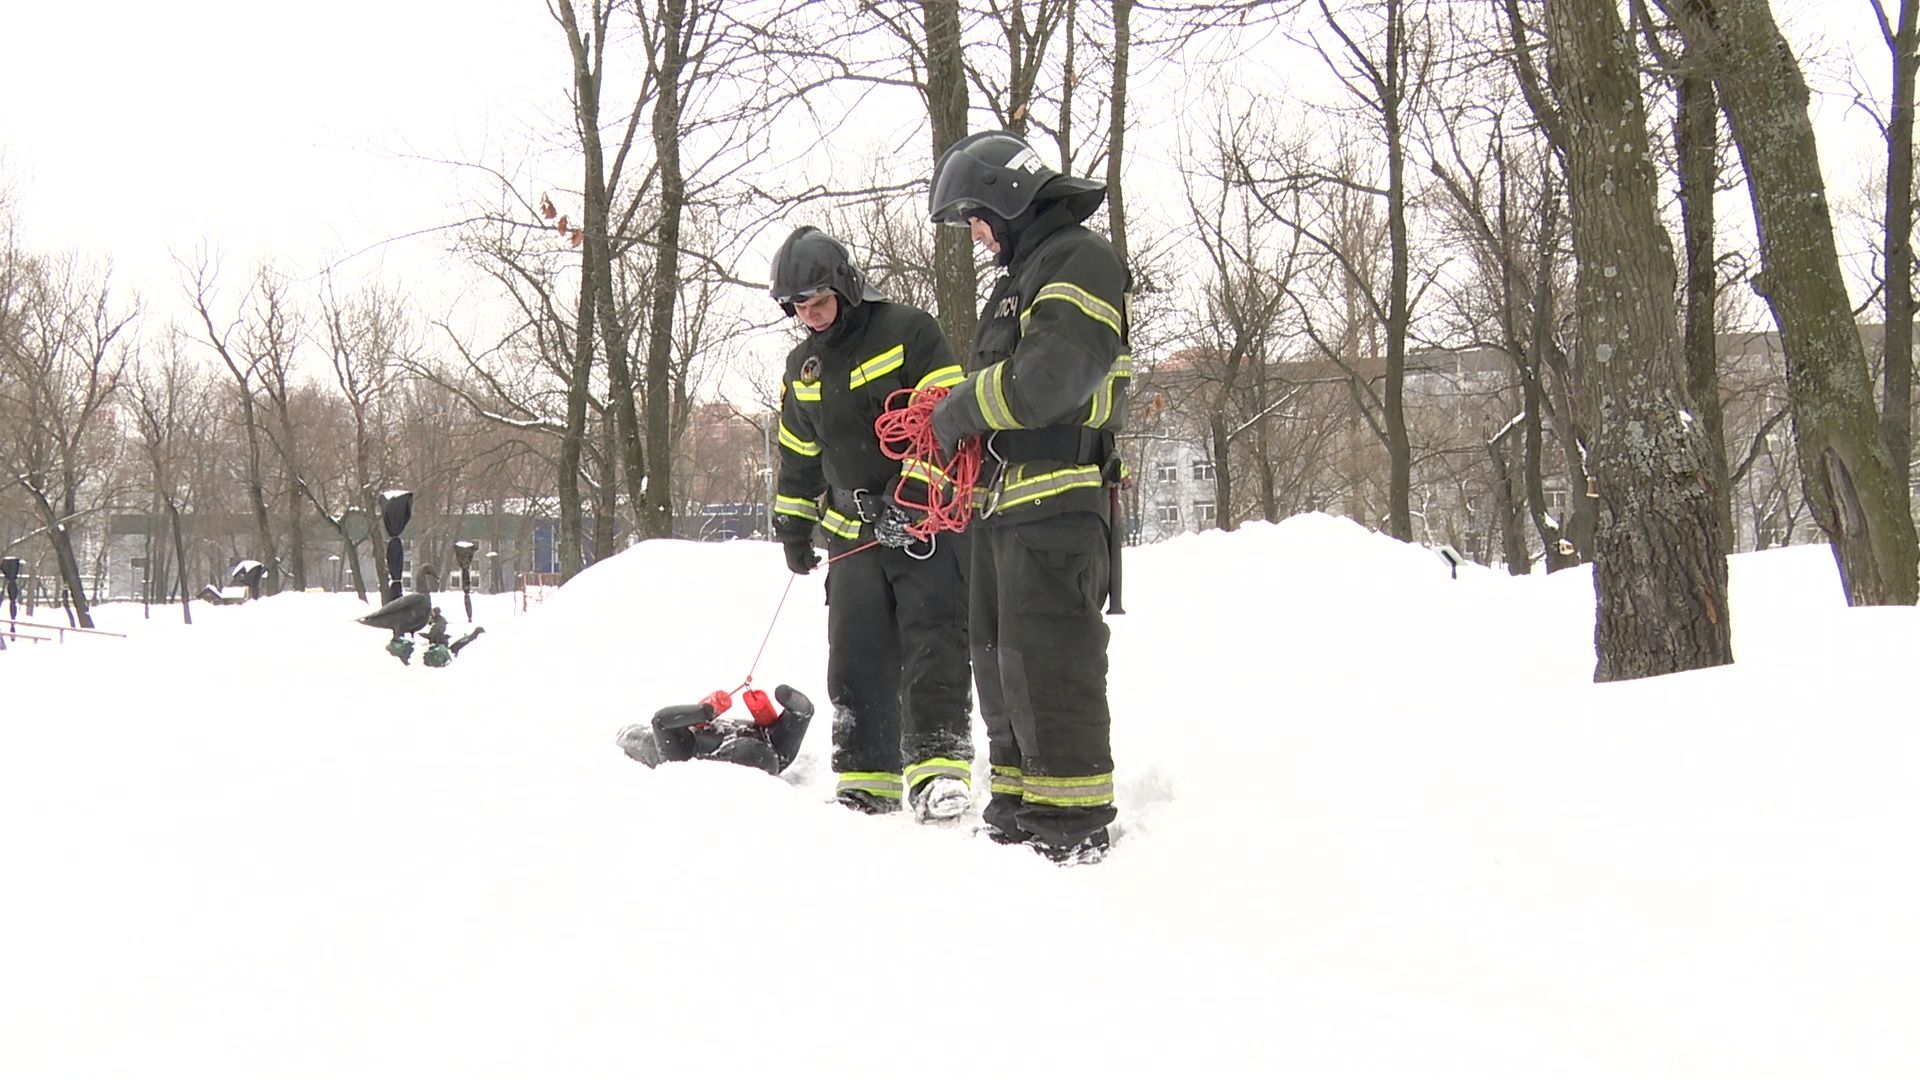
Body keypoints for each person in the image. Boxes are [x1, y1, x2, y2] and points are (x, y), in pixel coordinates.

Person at [926, 131, 1133, 865]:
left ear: (1008, 199)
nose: (976, 236)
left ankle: (1070, 822)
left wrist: (958, 409)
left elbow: (1048, 380)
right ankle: (1018, 805)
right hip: (1006, 505)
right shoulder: (1026, 273)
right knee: (999, 658)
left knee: (1050, 659)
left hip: (1057, 500)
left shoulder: (1080, 258)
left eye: (977, 219)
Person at [767, 226, 976, 821]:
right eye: (799, 307)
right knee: (856, 655)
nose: (811, 316)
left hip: (923, 523)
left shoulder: (910, 331)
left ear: (846, 287)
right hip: (852, 530)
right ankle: (867, 778)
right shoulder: (802, 367)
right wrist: (793, 525)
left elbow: (946, 419)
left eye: (819, 301)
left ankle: (939, 770)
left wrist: (912, 498)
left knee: (934, 643)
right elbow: (799, 452)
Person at [617, 685, 814, 776]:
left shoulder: (682, 756)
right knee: (778, 748)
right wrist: (798, 710)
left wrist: (703, 712)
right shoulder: (775, 755)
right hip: (765, 751)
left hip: (750, 750)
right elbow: (804, 712)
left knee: (636, 738)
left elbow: (661, 721)